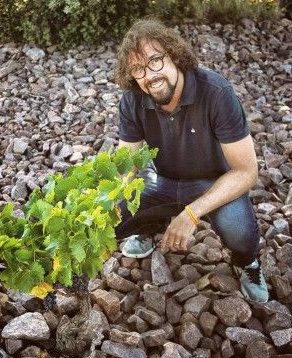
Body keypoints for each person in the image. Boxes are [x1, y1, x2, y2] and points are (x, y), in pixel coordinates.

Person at [114, 18, 269, 303]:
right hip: (161, 180)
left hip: (213, 183)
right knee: (111, 217)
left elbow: (246, 172)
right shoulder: (132, 100)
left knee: (240, 234)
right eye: (138, 69)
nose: (150, 75)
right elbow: (128, 164)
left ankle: (247, 263)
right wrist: (106, 201)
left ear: (173, 55)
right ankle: (149, 228)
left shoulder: (216, 93)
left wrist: (191, 214)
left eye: (155, 61)